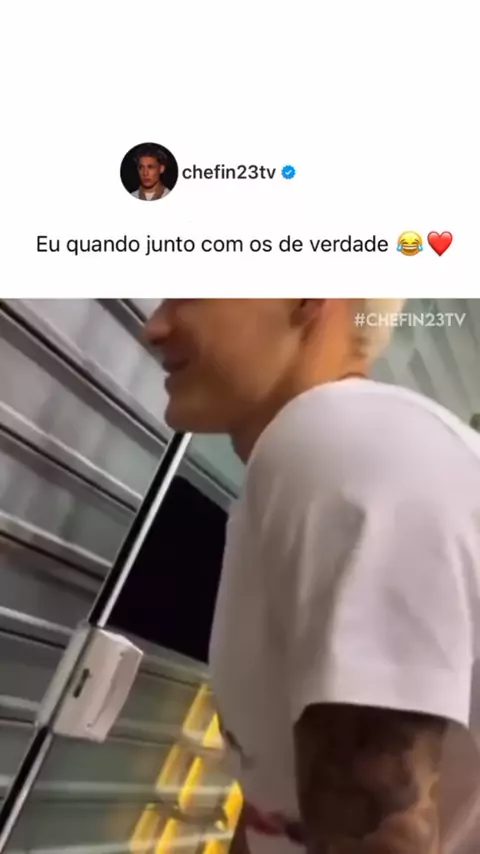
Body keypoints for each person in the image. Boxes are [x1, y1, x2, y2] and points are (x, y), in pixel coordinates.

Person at [144, 299, 480, 854]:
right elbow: (275, 806)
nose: (154, 327)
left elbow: (382, 832)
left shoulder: (338, 443)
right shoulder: (312, 461)